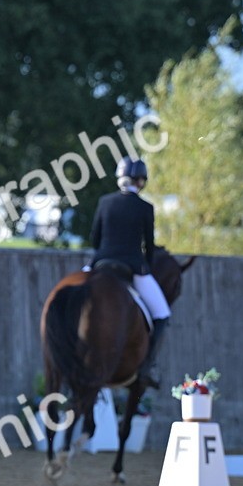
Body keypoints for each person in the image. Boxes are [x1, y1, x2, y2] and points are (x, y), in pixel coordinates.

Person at [90, 157, 170, 387]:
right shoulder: (145, 207)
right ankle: (147, 367)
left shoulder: (105, 202)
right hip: (132, 268)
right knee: (162, 314)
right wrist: (148, 266)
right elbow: (149, 246)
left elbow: (95, 239)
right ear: (141, 182)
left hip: (100, 263)